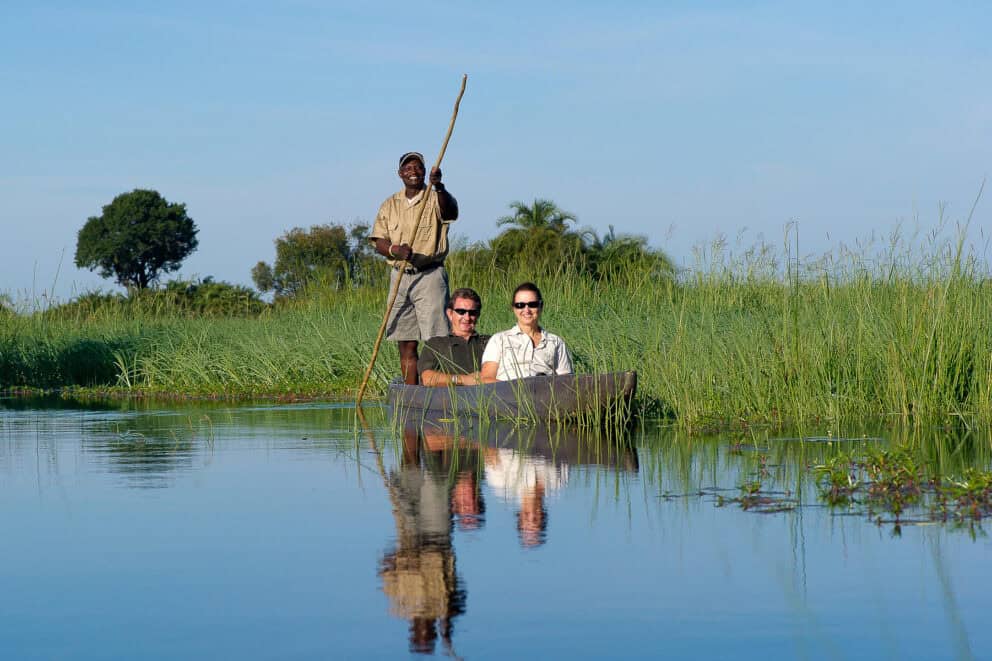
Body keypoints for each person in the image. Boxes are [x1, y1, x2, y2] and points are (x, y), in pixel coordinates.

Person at [369, 151, 459, 385]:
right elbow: (378, 241)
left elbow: (451, 212)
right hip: (400, 278)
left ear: (424, 171)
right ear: (400, 174)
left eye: (418, 167)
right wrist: (394, 251)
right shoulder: (389, 204)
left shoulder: (434, 197)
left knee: (436, 341)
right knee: (406, 342)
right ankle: (411, 395)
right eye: (407, 168)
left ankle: (440, 392)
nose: (413, 172)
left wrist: (439, 187)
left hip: (429, 275)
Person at [479, 282, 573, 382]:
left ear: (541, 306)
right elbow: (487, 379)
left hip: (544, 394)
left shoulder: (555, 341)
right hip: (507, 395)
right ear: (514, 308)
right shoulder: (499, 339)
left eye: (532, 304)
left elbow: (566, 382)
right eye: (520, 305)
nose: (526, 310)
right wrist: (514, 391)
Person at [418, 288, 490, 387]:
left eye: (472, 313)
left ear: (478, 315)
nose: (467, 317)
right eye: (461, 311)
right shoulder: (436, 344)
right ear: (450, 313)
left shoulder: (489, 342)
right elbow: (427, 378)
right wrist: (464, 380)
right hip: (451, 398)